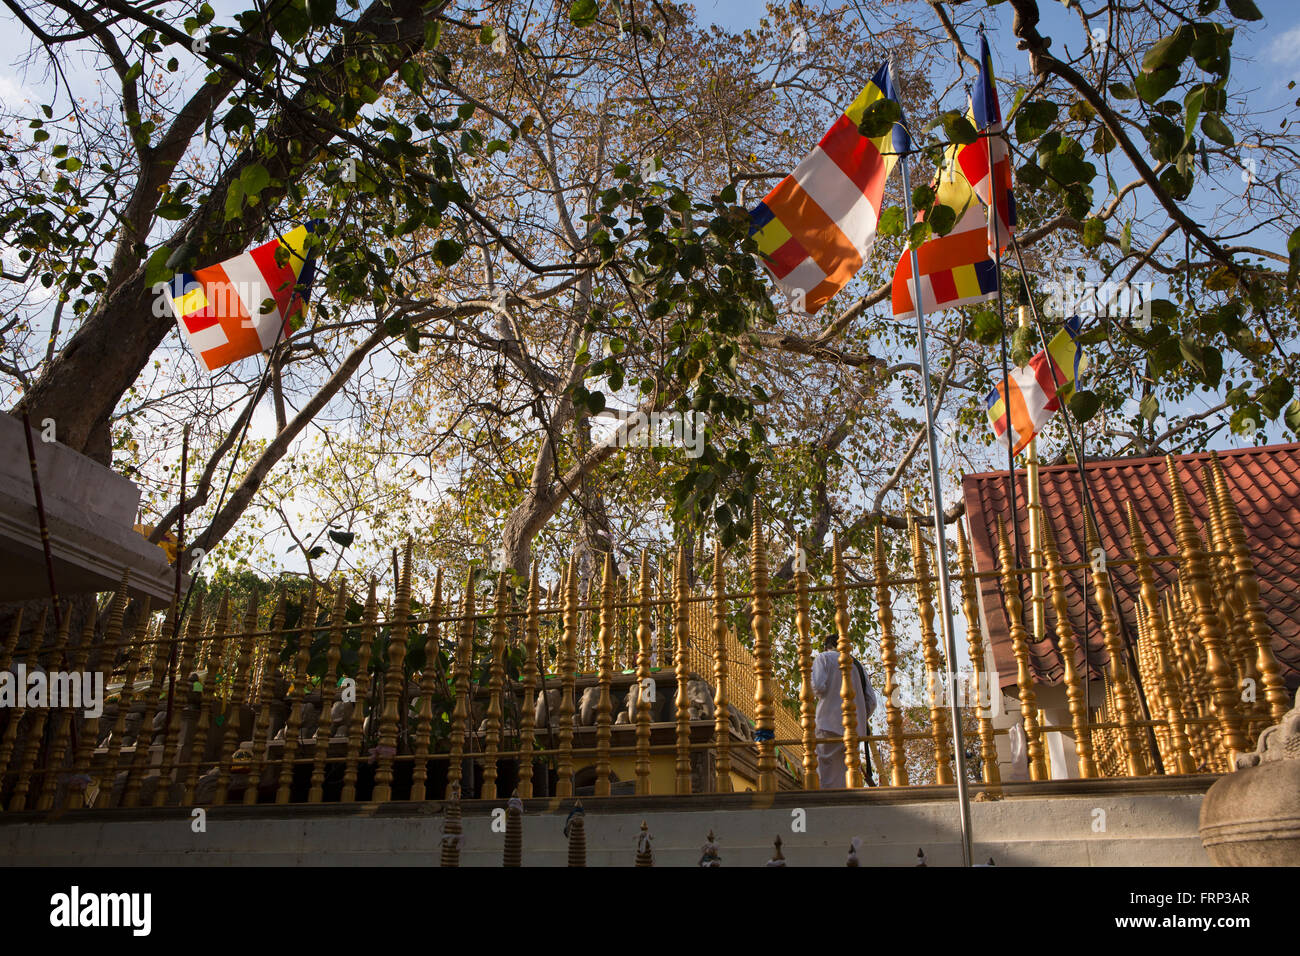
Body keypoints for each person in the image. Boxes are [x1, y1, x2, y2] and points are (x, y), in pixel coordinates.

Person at [811, 633, 878, 788]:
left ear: (827, 646)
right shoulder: (857, 665)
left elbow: (817, 687)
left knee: (826, 778)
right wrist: (858, 717)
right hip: (854, 730)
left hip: (827, 725)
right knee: (848, 775)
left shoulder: (824, 658)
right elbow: (872, 702)